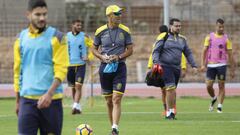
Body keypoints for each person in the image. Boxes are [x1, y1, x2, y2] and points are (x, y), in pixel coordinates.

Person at [13, 0, 69, 134]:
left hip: (52, 101)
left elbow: (61, 70)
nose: (42, 18)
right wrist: (18, 101)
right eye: (38, 14)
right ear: (28, 14)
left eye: (45, 14)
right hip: (27, 101)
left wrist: (49, 94)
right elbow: (17, 72)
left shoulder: (58, 37)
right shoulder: (20, 39)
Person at [92, 5, 133, 135]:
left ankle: (115, 127)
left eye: (120, 13)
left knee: (116, 98)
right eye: (116, 13)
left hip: (120, 67)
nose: (120, 16)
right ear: (109, 16)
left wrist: (119, 57)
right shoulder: (100, 31)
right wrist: (101, 57)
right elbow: (93, 49)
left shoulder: (125, 30)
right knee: (109, 101)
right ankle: (112, 127)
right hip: (105, 68)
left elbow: (130, 50)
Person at [152, 18, 198, 120]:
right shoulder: (163, 37)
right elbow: (156, 51)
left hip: (176, 68)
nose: (178, 28)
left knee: (173, 90)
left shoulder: (182, 39)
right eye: (176, 26)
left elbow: (188, 53)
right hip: (165, 66)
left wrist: (194, 65)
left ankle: (172, 111)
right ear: (170, 26)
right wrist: (156, 63)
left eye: (179, 26)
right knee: (170, 88)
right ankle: (168, 113)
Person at [147, 25, 187, 117]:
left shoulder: (160, 39)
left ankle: (167, 110)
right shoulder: (175, 39)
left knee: (165, 90)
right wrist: (184, 67)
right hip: (167, 67)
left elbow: (153, 54)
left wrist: (149, 67)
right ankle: (172, 109)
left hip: (162, 68)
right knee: (171, 89)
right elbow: (181, 55)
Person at [200, 18, 235, 113]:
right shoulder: (209, 37)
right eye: (220, 27)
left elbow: (231, 55)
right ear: (216, 26)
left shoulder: (226, 39)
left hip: (222, 65)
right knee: (208, 86)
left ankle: (220, 106)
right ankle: (214, 97)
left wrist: (232, 69)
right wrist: (203, 64)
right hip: (211, 65)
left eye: (223, 27)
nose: (221, 29)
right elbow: (204, 51)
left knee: (221, 86)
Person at [66, 19, 94, 115]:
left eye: (80, 25)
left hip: (81, 65)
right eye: (77, 25)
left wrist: (89, 57)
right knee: (73, 88)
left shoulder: (85, 37)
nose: (79, 27)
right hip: (69, 66)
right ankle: (77, 107)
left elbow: (94, 47)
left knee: (78, 86)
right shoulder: (66, 37)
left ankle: (75, 105)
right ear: (73, 25)